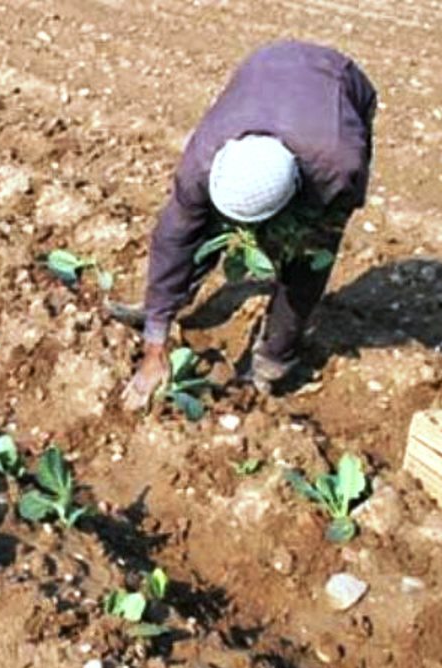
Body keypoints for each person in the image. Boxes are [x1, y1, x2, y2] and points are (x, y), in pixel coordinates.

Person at [121, 41, 377, 410]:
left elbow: (329, 228)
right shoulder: (202, 164)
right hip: (265, 68)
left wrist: (294, 237)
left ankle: (273, 360)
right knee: (198, 228)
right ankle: (165, 305)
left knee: (305, 259)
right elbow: (173, 239)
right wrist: (154, 343)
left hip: (338, 85)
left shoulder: (337, 167)